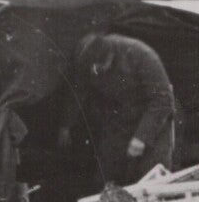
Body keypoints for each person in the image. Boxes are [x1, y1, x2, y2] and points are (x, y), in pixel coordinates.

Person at [66, 32, 178, 186]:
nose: (96, 73)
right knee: (107, 180)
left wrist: (142, 137)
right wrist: (66, 124)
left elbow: (162, 100)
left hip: (152, 120)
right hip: (117, 123)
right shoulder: (87, 60)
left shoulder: (140, 54)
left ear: (110, 57)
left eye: (100, 68)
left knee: (152, 180)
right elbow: (79, 92)